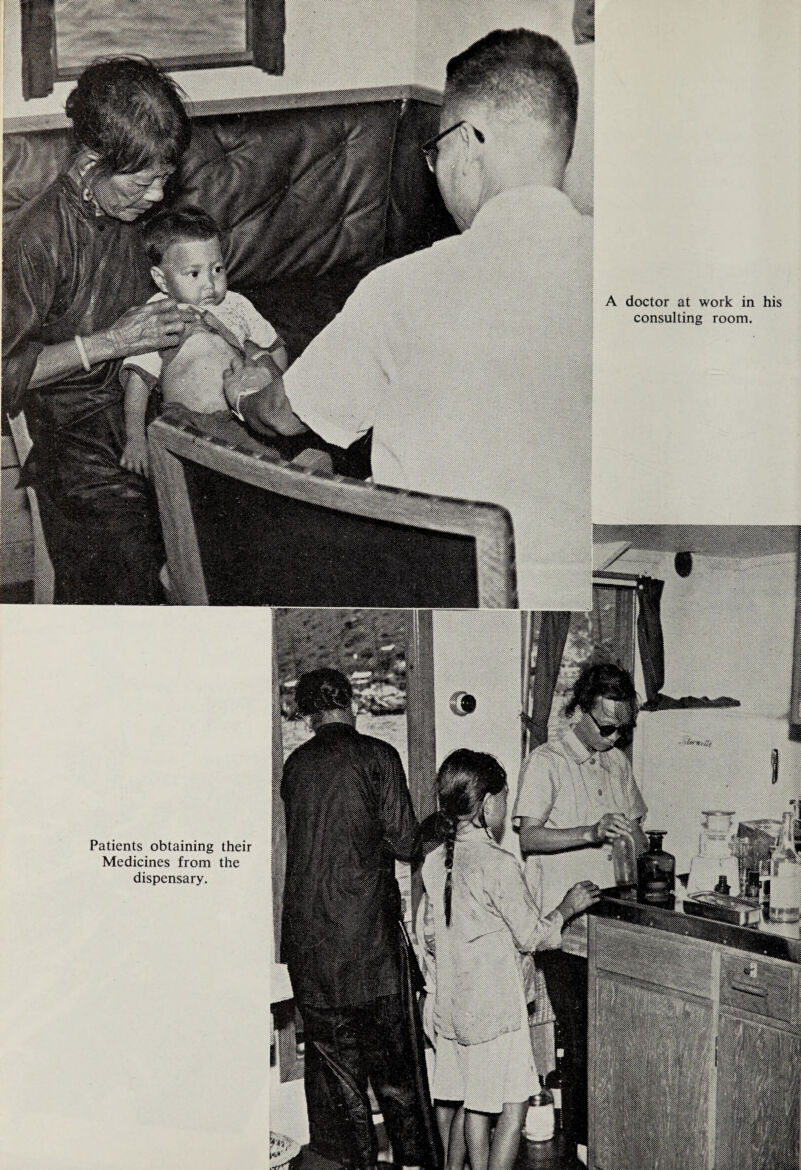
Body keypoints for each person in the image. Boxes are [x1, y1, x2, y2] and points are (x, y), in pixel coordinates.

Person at [222, 28, 592, 611]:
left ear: (469, 143)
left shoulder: (403, 287)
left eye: (437, 149)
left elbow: (287, 415)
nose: (437, 169)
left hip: (435, 591)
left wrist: (244, 396)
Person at [2, 56, 194, 604]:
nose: (158, 195)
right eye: (144, 179)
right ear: (90, 163)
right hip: (76, 443)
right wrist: (110, 343)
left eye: (166, 176)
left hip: (149, 411)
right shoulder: (36, 238)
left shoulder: (136, 218)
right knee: (130, 562)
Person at [280, 669, 438, 1170]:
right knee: (396, 1073)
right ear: (352, 702)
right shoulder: (378, 756)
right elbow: (406, 843)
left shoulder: (295, 766)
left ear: (307, 716)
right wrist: (446, 819)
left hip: (311, 947)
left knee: (335, 1072)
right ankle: (411, 1164)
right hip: (369, 945)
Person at [422, 749, 599, 1170]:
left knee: (472, 1101)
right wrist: (568, 906)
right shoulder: (497, 864)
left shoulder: (435, 861)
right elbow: (533, 935)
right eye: (503, 797)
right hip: (495, 1009)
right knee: (513, 1101)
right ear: (487, 805)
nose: (507, 805)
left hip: (452, 1009)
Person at [513, 663, 648, 1162]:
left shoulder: (616, 762)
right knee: (582, 1039)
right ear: (579, 711)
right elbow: (528, 836)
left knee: (618, 1034)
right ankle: (580, 1146)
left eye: (624, 727)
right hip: (566, 929)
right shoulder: (546, 762)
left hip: (614, 921)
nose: (615, 737)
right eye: (607, 726)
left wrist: (633, 840)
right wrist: (589, 833)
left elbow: (634, 823)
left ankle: (611, 1136)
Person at [119, 206, 288, 477]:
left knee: (269, 467)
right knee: (249, 472)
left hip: (246, 415)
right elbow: (139, 379)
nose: (210, 284)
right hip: (190, 421)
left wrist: (276, 387)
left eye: (217, 269)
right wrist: (135, 438)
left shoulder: (238, 304)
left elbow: (274, 346)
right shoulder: (158, 314)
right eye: (194, 274)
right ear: (161, 280)